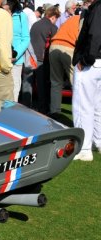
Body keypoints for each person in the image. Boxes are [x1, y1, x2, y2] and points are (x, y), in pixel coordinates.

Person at [71, 0, 101, 161]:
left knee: (83, 106)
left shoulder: (97, 8)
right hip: (97, 62)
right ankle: (97, 141)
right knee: (97, 106)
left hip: (92, 62)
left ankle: (83, 147)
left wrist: (85, 60)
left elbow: (95, 34)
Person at [30, 6, 60, 114]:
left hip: (31, 57)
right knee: (43, 86)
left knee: (29, 84)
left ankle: (30, 106)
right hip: (43, 59)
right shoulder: (52, 27)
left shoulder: (35, 24)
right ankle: (43, 109)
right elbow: (55, 44)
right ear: (53, 17)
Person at [49, 15, 80, 117]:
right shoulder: (86, 18)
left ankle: (54, 111)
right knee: (75, 83)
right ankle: (79, 113)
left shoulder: (72, 18)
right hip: (69, 48)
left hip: (54, 46)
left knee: (56, 82)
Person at [3, 0, 30, 101]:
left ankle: (12, 113)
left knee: (14, 90)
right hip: (1, 58)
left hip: (16, 61)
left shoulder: (21, 16)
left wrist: (16, 54)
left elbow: (26, 38)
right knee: (2, 90)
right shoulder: (1, 14)